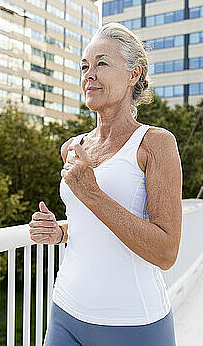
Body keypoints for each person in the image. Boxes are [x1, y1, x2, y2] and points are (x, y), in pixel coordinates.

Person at [28, 22, 182, 345]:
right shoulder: (73, 147)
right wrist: (61, 231)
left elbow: (166, 251)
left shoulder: (155, 144)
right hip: (65, 312)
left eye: (101, 64)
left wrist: (93, 194)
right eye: (84, 66)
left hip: (134, 324)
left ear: (133, 74)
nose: (89, 75)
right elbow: (91, 225)